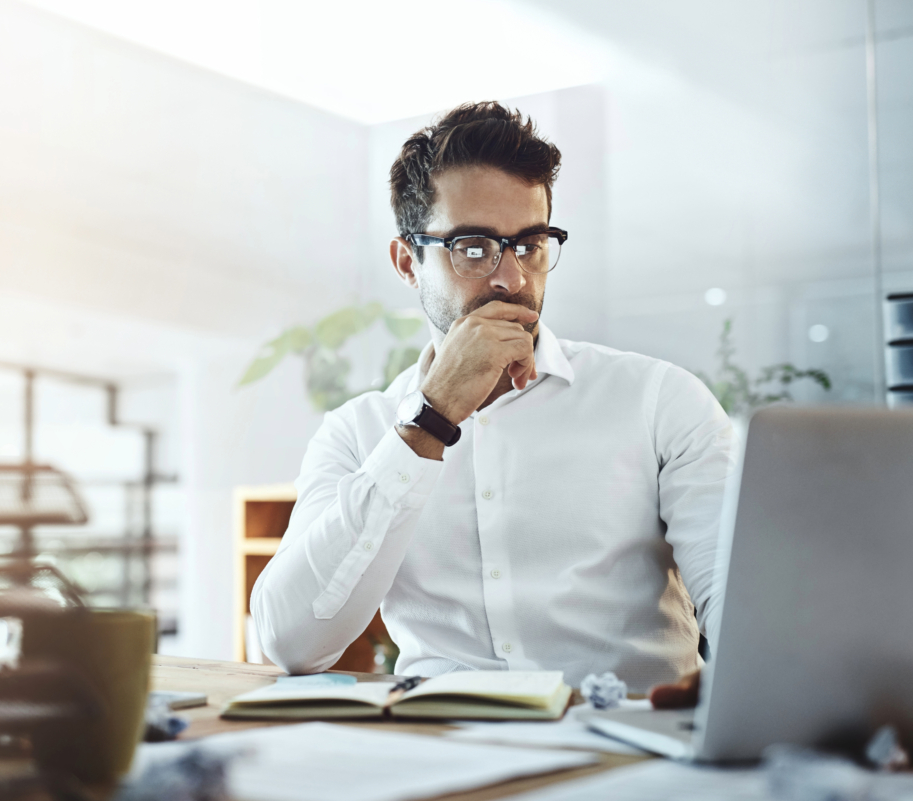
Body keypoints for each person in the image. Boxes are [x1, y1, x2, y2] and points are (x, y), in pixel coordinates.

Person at [251, 102, 733, 705]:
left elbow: (743, 606)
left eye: (530, 244)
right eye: (473, 248)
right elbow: (292, 642)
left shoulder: (659, 400)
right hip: (442, 753)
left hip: (623, 748)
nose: (512, 278)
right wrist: (429, 418)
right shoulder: (357, 432)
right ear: (407, 262)